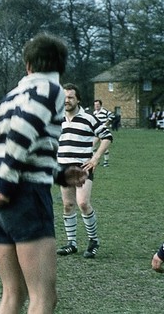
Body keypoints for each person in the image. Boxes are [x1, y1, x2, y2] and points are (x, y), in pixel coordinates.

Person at [0, 33, 87, 314]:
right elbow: (23, 133)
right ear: (61, 66)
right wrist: (7, 184)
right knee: (43, 297)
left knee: (12, 295)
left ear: (27, 63)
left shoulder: (10, 96)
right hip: (22, 195)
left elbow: (12, 146)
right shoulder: (51, 90)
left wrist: (59, 175)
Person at [56, 83, 113, 260]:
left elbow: (107, 136)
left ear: (78, 99)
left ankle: (93, 241)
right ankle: (71, 243)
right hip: (63, 168)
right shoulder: (56, 119)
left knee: (82, 203)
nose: (67, 100)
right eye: (64, 97)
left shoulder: (88, 118)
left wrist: (95, 157)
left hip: (82, 168)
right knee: (67, 205)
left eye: (71, 97)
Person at [92, 99, 114, 167]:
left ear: (100, 105)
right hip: (96, 132)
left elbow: (112, 116)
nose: (96, 106)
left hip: (103, 132)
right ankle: (96, 160)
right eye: (95, 105)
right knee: (92, 145)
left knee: (104, 147)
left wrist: (106, 124)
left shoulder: (104, 111)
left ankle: (106, 162)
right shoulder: (94, 113)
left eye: (98, 105)